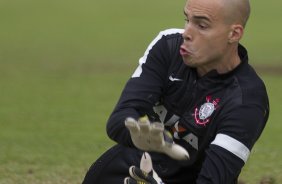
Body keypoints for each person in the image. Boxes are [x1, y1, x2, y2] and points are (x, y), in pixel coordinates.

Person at [82, 0, 269, 183]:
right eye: (187, 19)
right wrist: (141, 137)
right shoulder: (169, 46)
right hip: (133, 168)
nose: (187, 33)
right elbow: (119, 118)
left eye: (202, 25)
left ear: (234, 34)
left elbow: (213, 179)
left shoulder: (247, 100)